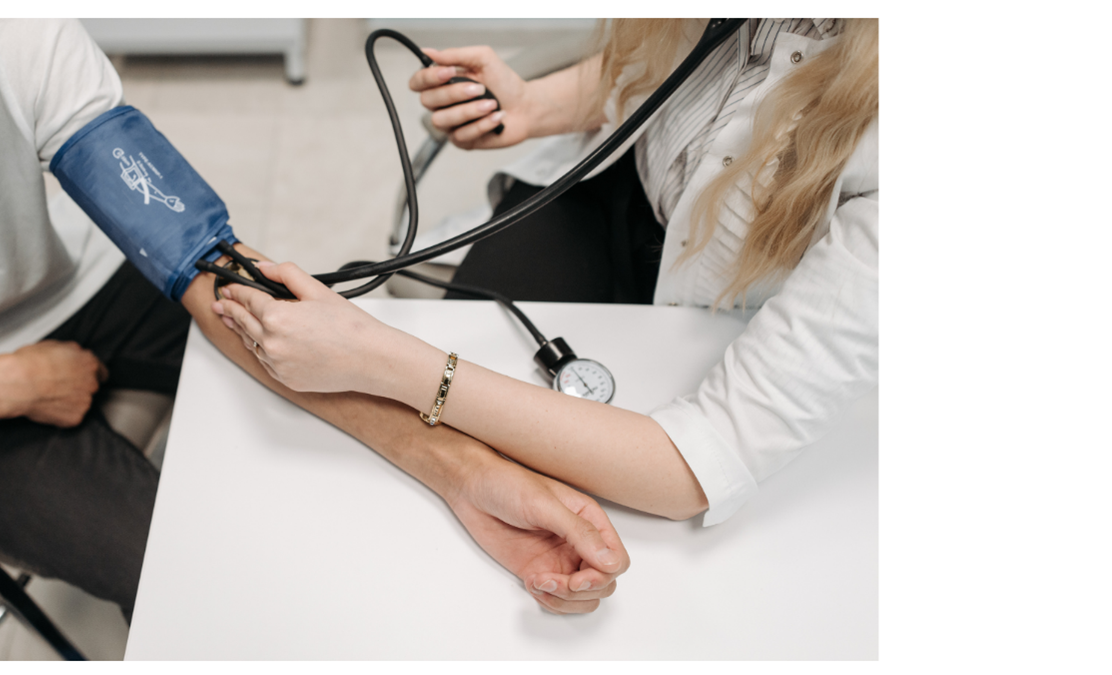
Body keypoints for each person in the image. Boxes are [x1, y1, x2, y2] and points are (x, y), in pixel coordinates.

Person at [0, 18, 630, 620]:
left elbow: (202, 261)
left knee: (319, 374)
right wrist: (7, 386)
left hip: (82, 277)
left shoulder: (0, 27)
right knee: (193, 587)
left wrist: (464, 471)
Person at [213, 19, 878, 527]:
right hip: (611, 197)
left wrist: (374, 355)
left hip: (719, 317)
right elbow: (688, 62)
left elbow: (697, 465)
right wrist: (536, 106)